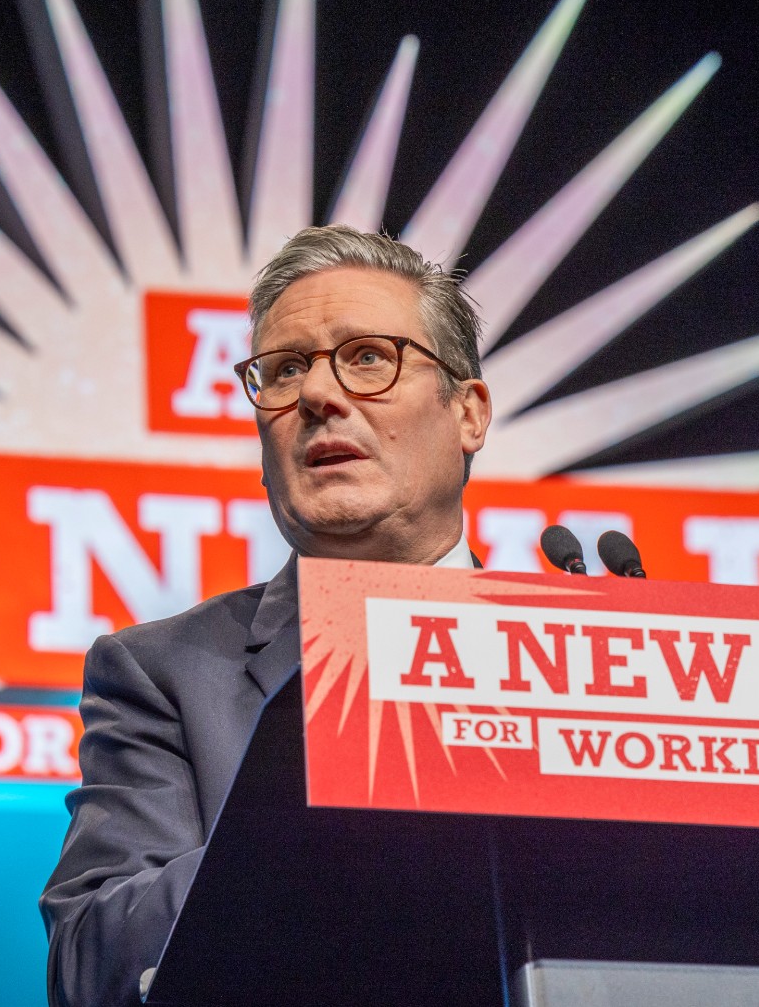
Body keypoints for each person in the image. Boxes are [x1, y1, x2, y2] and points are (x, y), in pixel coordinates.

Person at [39, 225, 494, 1007]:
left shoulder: (579, 659)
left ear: (469, 413)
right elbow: (92, 962)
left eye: (368, 357)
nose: (318, 395)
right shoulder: (162, 673)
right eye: (283, 370)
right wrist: (306, 830)